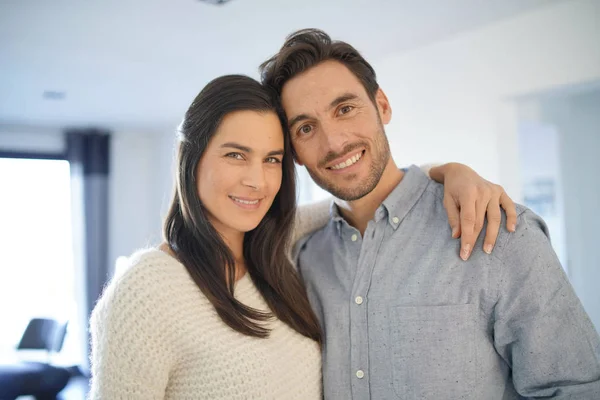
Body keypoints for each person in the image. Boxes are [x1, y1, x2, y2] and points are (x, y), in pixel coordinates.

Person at [88, 75, 516, 399]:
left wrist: (451, 173)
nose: (257, 180)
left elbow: (368, 199)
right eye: (236, 155)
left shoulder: (278, 244)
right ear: (191, 160)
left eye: (272, 159)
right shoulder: (147, 290)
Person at [260, 29, 600, 399]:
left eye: (345, 109)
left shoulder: (498, 232)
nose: (334, 142)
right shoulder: (304, 260)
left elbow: (577, 389)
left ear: (382, 105)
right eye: (306, 128)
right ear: (293, 150)